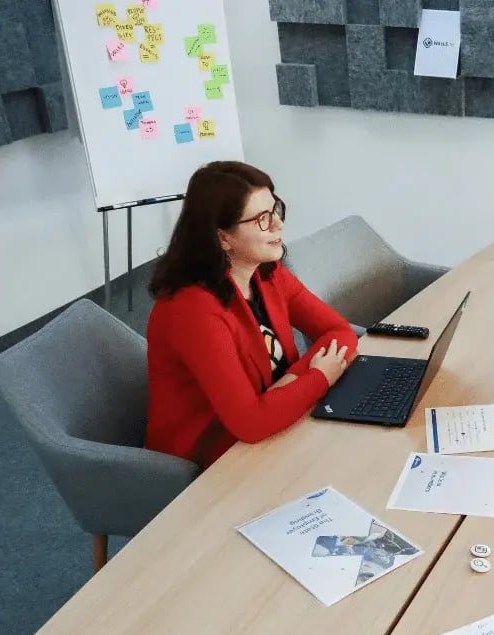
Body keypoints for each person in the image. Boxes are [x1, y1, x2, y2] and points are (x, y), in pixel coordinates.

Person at [146, 161, 357, 467]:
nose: (278, 225)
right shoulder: (192, 310)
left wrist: (287, 385)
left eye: (276, 210)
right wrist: (320, 375)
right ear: (223, 238)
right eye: (262, 219)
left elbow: (340, 332)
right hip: (209, 461)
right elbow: (251, 424)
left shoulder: (268, 275)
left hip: (276, 428)